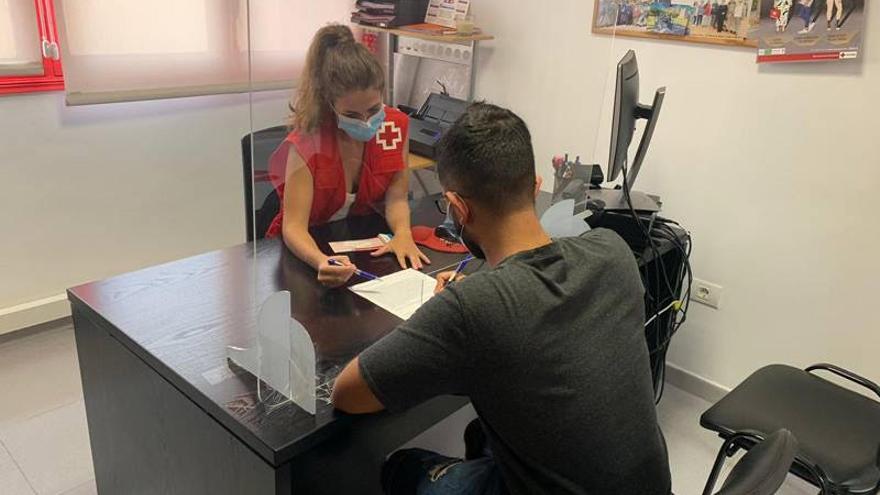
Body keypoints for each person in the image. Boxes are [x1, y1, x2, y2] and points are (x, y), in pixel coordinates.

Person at [331, 103, 671, 495]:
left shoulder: (471, 309)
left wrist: (441, 316)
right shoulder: (613, 253)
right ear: (534, 185)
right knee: (483, 433)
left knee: (405, 467)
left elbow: (348, 394)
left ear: (457, 209)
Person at [265, 25, 429, 288]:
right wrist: (320, 261)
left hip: (358, 243)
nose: (366, 122)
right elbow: (294, 227)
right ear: (330, 104)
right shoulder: (307, 142)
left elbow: (396, 198)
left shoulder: (396, 126)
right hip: (306, 251)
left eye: (374, 109)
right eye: (352, 115)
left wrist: (403, 233)